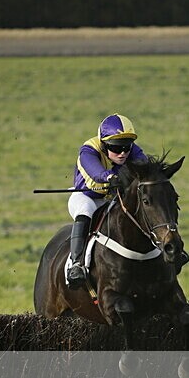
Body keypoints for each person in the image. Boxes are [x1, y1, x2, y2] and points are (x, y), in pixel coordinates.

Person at [66, 113, 147, 289]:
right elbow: (95, 172)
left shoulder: (131, 151)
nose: (123, 153)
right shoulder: (88, 151)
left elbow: (145, 166)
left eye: (127, 147)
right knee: (85, 210)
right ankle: (76, 264)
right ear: (103, 144)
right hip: (87, 197)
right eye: (116, 148)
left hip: (112, 200)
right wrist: (110, 177)